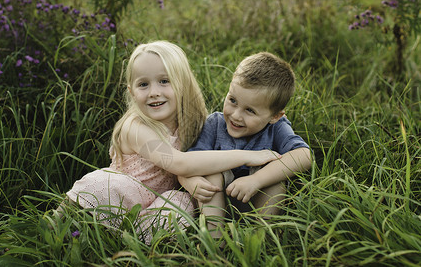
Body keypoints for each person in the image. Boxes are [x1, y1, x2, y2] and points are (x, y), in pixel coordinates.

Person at [63, 41, 280, 244]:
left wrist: (188, 182)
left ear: (182, 84)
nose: (154, 92)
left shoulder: (191, 122)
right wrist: (250, 155)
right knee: (113, 186)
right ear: (131, 91)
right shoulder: (135, 127)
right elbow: (179, 163)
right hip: (124, 195)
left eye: (164, 81)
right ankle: (70, 227)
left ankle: (137, 243)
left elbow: (200, 161)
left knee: (180, 204)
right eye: (143, 84)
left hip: (157, 201)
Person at [179, 52, 312, 230]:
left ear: (274, 116)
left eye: (250, 110)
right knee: (210, 174)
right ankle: (215, 238)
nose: (235, 115)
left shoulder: (277, 127)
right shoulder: (215, 123)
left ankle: (261, 237)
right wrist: (190, 182)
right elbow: (189, 162)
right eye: (232, 100)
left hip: (255, 199)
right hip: (218, 201)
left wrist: (256, 180)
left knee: (275, 179)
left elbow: (304, 155)